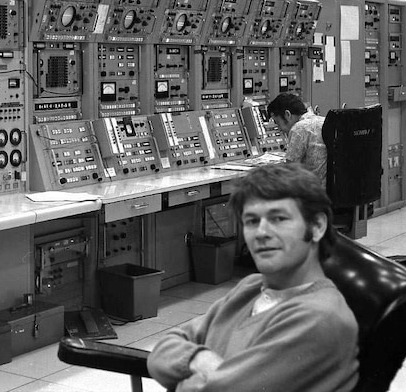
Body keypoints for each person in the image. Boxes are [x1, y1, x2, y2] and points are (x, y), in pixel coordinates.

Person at [146, 163, 358, 392]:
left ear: (317, 226)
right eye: (252, 221)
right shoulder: (250, 288)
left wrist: (188, 370)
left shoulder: (320, 317)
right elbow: (162, 351)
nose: (262, 233)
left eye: (279, 218)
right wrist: (201, 359)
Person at [267, 92, 327, 186]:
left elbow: (290, 169)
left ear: (287, 114)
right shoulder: (323, 120)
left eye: (277, 122)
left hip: (312, 190)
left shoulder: (299, 128)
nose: (279, 129)